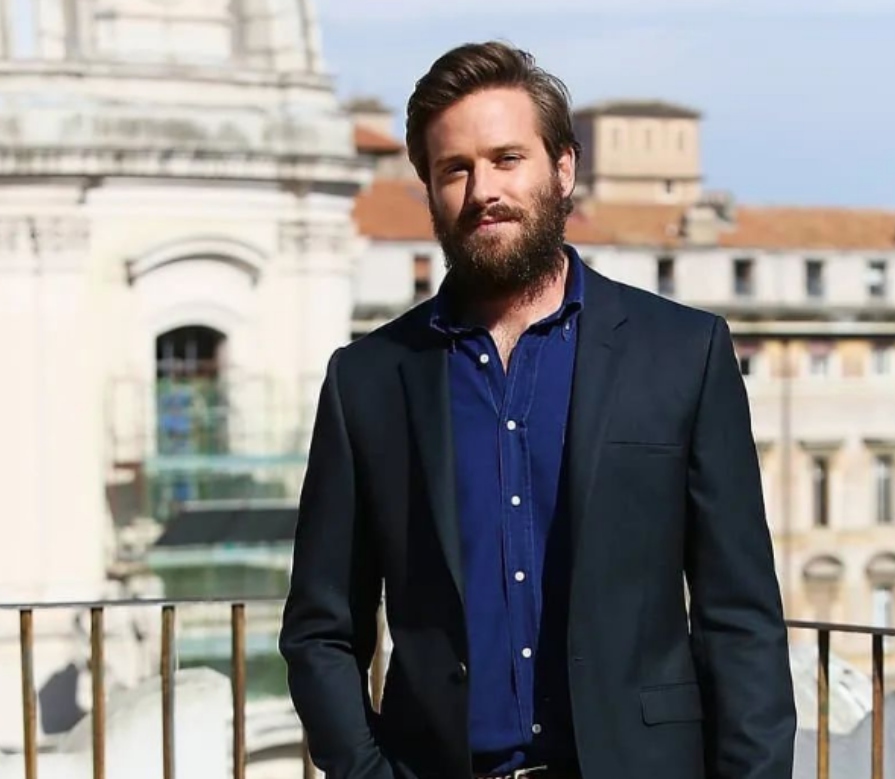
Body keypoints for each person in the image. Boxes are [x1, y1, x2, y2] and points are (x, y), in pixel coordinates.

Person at [279, 40, 796, 779]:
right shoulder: (368, 380)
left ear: (563, 168)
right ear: (429, 189)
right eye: (455, 169)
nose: (482, 189)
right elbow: (321, 629)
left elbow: (739, 616)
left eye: (507, 159)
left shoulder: (684, 353)